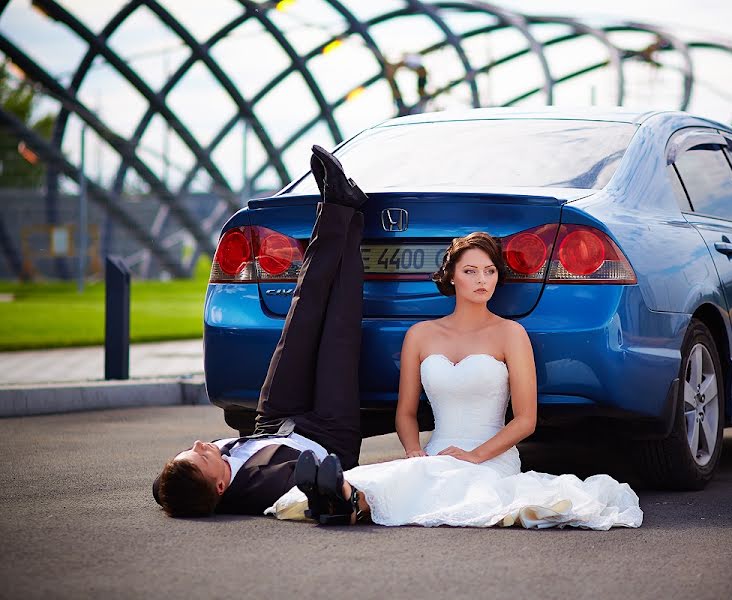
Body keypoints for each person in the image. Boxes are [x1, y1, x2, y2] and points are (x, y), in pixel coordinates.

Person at [279, 232, 643, 529]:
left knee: (447, 482)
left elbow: (526, 419)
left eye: (489, 271)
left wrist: (475, 456)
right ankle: (339, 495)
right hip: (437, 452)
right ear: (452, 275)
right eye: (471, 271)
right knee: (420, 473)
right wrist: (412, 451)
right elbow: (406, 412)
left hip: (492, 458)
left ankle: (344, 497)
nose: (482, 280)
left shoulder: (511, 335)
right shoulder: (420, 336)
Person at [153, 144, 367, 517]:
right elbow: (314, 485)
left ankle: (338, 205)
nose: (202, 443)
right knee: (338, 327)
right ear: (220, 487)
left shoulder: (195, 481)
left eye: (192, 449)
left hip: (274, 418)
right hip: (327, 434)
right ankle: (347, 212)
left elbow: (163, 489)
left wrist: (170, 488)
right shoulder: (260, 490)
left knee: (301, 315)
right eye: (201, 456)